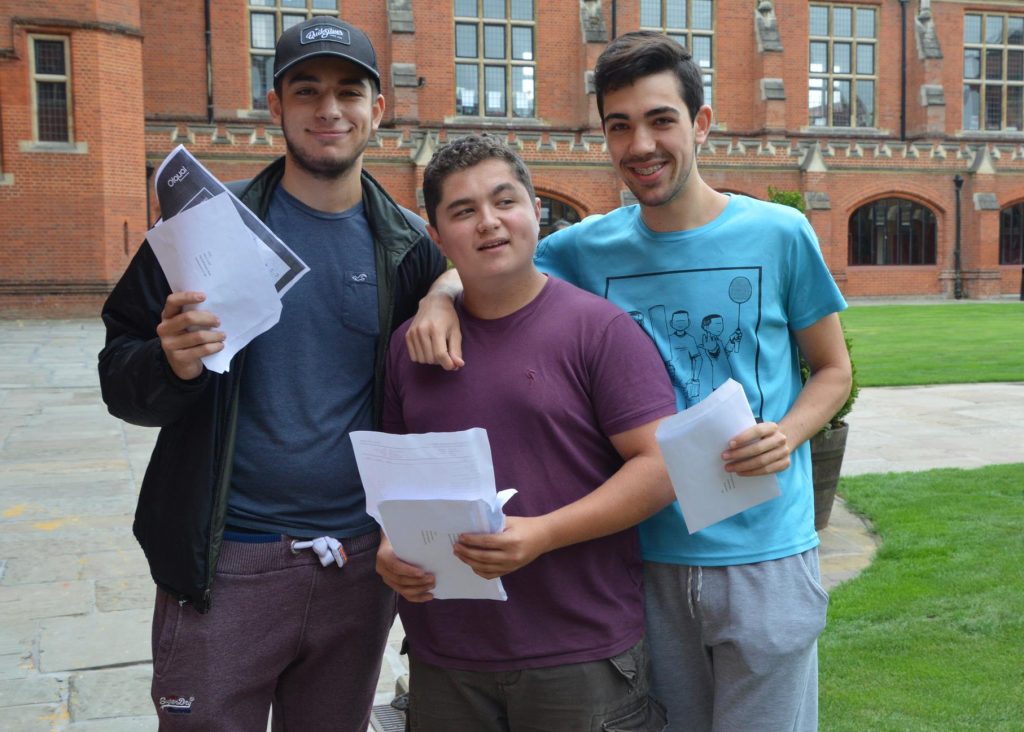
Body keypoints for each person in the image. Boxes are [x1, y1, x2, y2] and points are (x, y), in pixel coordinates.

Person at [406, 32, 853, 732]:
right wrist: (437, 297)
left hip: (765, 549)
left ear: (701, 124)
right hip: (644, 556)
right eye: (620, 126)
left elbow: (832, 368)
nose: (641, 144)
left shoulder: (781, 233)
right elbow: (491, 255)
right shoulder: (584, 248)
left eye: (660, 120)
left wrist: (789, 434)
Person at [98, 17, 445, 731]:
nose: (329, 109)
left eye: (349, 92)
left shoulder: (409, 247)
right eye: (307, 90)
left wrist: (448, 289)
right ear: (275, 105)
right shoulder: (201, 227)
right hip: (227, 559)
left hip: (356, 563)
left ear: (378, 110)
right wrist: (169, 363)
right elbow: (118, 375)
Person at [375, 134, 679, 731]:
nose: (488, 222)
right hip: (446, 656)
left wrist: (542, 533)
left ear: (535, 211)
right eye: (463, 211)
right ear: (437, 236)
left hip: (578, 652)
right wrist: (391, 545)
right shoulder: (412, 347)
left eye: (504, 201)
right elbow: (394, 480)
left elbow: (662, 467)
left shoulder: (599, 330)